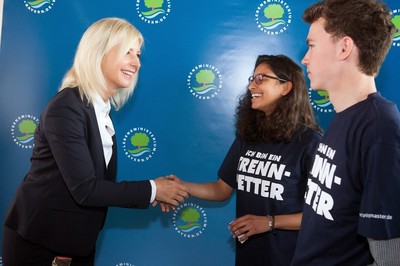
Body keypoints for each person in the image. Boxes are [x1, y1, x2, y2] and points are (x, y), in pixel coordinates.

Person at [1, 17, 188, 266]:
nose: (136, 62)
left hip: (77, 244)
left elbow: (96, 186)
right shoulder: (67, 107)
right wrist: (154, 189)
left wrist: (155, 191)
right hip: (42, 245)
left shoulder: (99, 110)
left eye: (138, 54)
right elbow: (86, 189)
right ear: (98, 52)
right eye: (127, 52)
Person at [172, 54, 322, 265]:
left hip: (290, 258)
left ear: (285, 88)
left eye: (260, 78)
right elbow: (221, 189)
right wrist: (181, 186)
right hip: (249, 257)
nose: (252, 86)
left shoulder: (309, 142)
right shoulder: (249, 136)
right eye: (251, 79)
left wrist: (269, 223)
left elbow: (320, 215)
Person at [291, 0, 400, 265]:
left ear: (344, 47)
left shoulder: (379, 127)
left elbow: (389, 258)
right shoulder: (346, 118)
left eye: (312, 45)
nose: (305, 58)